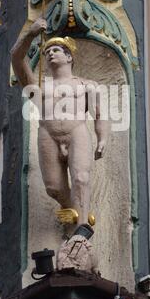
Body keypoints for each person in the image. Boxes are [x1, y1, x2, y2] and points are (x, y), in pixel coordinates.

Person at [11, 17, 109, 227]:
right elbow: (17, 60)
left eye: (55, 50)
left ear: (69, 57)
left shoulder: (86, 84)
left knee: (81, 178)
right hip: (48, 135)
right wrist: (30, 34)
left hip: (77, 132)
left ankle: (82, 228)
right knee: (53, 188)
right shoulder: (39, 86)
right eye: (47, 52)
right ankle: (73, 207)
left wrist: (102, 138)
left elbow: (100, 114)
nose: (50, 54)